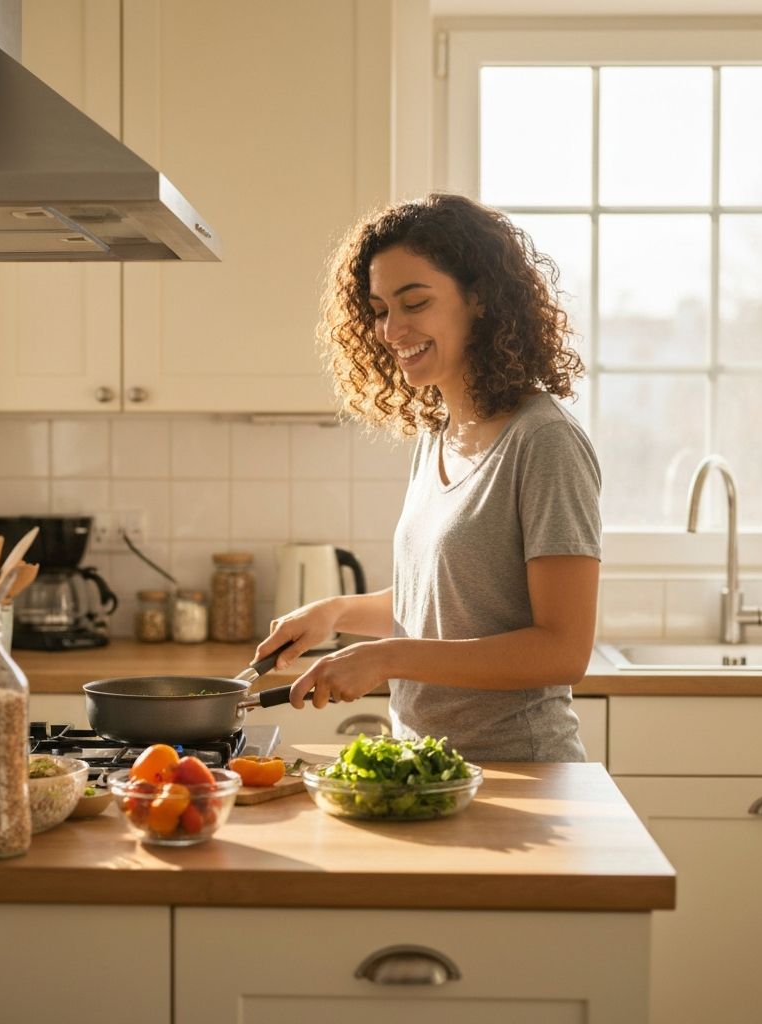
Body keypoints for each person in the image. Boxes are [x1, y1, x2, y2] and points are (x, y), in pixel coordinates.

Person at [254, 193, 601, 762]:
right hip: (433, 767)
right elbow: (449, 602)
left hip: (520, 769)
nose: (393, 329)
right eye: (380, 308)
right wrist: (337, 613)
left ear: (481, 299)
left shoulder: (544, 440)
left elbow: (562, 651)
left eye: (414, 302)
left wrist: (387, 658)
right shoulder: (440, 435)